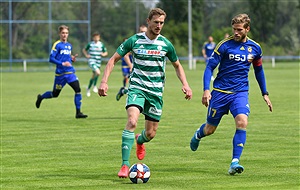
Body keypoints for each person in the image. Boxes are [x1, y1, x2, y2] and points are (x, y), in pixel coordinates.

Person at [98, 8, 192, 178]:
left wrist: (185, 84)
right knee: (132, 121)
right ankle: (125, 166)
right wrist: (104, 81)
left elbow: (177, 65)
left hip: (156, 93)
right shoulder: (134, 41)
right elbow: (113, 60)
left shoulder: (166, 44)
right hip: (137, 88)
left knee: (150, 134)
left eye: (161, 23)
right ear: (148, 21)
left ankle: (139, 140)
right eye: (156, 22)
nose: (159, 26)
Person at [189, 13, 272, 175]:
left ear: (247, 29)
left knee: (242, 122)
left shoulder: (255, 48)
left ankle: (235, 162)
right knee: (210, 129)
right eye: (234, 29)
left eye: (239, 30)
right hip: (219, 93)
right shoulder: (223, 45)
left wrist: (265, 93)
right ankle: (198, 135)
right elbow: (209, 68)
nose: (236, 32)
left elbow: (259, 71)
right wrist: (206, 89)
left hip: (240, 93)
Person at [35, 25, 88, 119]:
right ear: (59, 34)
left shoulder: (69, 45)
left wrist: (72, 59)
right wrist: (62, 63)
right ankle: (41, 97)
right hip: (60, 75)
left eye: (66, 33)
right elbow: (51, 59)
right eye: (63, 33)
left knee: (77, 90)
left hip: (70, 73)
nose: (65, 35)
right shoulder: (57, 45)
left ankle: (78, 113)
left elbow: (67, 58)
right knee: (55, 94)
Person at [116, 25, 148, 101]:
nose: (143, 33)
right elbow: (126, 55)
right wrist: (131, 66)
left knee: (144, 91)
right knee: (140, 91)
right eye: (141, 31)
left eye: (145, 31)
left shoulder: (151, 41)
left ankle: (124, 90)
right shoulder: (135, 41)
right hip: (137, 70)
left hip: (147, 70)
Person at [82, 32, 108, 97]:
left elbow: (106, 52)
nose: (96, 38)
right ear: (93, 38)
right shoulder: (90, 44)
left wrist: (103, 54)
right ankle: (94, 86)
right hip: (92, 61)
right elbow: (84, 50)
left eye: (97, 37)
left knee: (94, 76)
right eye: (95, 37)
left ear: (99, 38)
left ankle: (88, 88)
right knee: (98, 72)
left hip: (98, 62)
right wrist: (86, 55)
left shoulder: (101, 44)